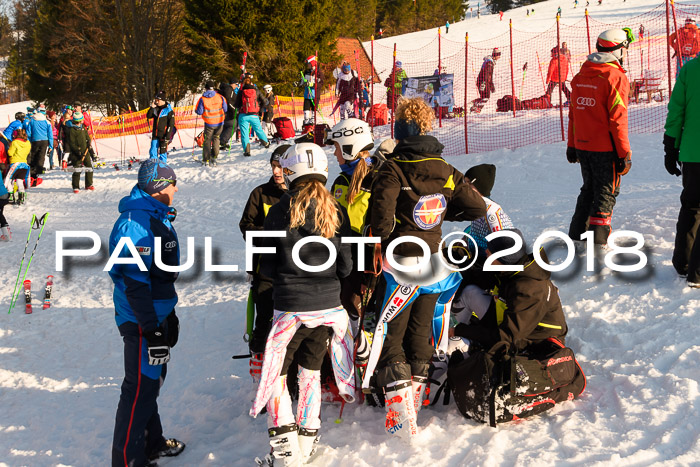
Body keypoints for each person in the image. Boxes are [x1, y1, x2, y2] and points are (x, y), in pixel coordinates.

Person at [363, 97, 486, 440]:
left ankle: (400, 417)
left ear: (399, 130)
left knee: (392, 336)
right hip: (432, 263)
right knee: (420, 335)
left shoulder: (392, 168)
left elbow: (381, 223)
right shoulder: (445, 169)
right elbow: (476, 206)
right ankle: (414, 405)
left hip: (399, 264)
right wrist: (444, 212)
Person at [250, 143, 355, 465]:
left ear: (290, 172)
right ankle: (307, 441)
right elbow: (346, 266)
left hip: (290, 309)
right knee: (310, 373)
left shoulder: (280, 210)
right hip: (327, 308)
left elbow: (265, 265)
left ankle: (284, 450)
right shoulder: (336, 209)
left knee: (278, 376)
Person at [108, 159, 186, 467]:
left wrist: (169, 315)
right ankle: (127, 460)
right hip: (141, 317)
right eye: (171, 183)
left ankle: (152, 442)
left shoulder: (155, 214)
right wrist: (152, 328)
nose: (176, 188)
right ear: (157, 187)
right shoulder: (135, 224)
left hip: (157, 312)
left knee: (152, 382)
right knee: (139, 388)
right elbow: (134, 282)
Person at [451, 229, 568, 353]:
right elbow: (477, 277)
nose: (486, 252)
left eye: (490, 251)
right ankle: (454, 336)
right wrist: (448, 283)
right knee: (470, 292)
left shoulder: (530, 290)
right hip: (510, 325)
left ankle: (457, 344)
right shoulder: (510, 268)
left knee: (462, 341)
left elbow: (507, 337)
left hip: (534, 344)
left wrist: (460, 330)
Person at [567, 28, 633, 246]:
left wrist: (571, 145)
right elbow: (618, 120)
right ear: (617, 50)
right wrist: (624, 153)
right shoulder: (615, 77)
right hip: (605, 148)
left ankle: (577, 235)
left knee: (589, 189)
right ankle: (598, 241)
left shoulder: (580, 75)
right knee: (606, 192)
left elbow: (574, 114)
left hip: (583, 145)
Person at [238, 144, 289, 379]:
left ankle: (287, 367)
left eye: (280, 167)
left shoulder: (302, 192)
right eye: (273, 166)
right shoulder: (260, 193)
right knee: (265, 317)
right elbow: (246, 226)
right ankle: (258, 366)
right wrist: (271, 233)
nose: (276, 172)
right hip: (265, 268)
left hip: (294, 269)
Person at [664, 55, 700, 288]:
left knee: (691, 206)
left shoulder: (689, 69)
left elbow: (676, 110)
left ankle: (683, 262)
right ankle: (697, 274)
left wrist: (670, 146)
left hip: (691, 153)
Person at [234, 73, 270, 157]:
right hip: (254, 115)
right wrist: (260, 108)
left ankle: (247, 151)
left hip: (243, 115)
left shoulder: (241, 91)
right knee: (259, 130)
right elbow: (265, 101)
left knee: (244, 133)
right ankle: (266, 143)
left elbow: (236, 104)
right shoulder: (256, 90)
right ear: (251, 82)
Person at [195, 80, 228, 166]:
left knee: (207, 140)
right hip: (220, 122)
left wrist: (197, 110)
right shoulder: (220, 97)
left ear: (205, 88)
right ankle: (214, 157)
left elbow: (199, 111)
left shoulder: (202, 99)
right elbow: (225, 109)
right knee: (217, 138)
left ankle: (206, 159)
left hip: (209, 123)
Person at [67, 112, 95, 193]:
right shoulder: (72, 130)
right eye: (82, 120)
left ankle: (88, 184)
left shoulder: (83, 128)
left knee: (89, 167)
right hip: (76, 153)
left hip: (85, 151)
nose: (83, 121)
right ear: (78, 121)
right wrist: (78, 151)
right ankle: (75, 186)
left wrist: (89, 143)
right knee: (77, 168)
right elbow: (72, 143)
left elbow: (87, 137)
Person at [145, 91, 175, 163]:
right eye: (155, 100)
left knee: (162, 152)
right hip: (155, 135)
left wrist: (167, 137)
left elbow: (171, 125)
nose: (156, 102)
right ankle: (153, 166)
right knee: (153, 151)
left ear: (162, 100)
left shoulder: (169, 110)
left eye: (157, 100)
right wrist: (151, 107)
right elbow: (148, 116)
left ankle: (162, 167)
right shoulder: (155, 109)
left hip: (164, 136)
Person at [470, 47, 501, 113]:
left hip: (484, 81)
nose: (499, 57)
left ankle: (474, 106)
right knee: (486, 97)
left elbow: (489, 75)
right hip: (483, 82)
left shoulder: (490, 62)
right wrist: (483, 83)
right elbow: (486, 74)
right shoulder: (489, 63)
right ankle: (476, 108)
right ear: (495, 55)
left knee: (485, 96)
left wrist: (491, 86)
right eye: (498, 55)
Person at [26, 105, 53, 180]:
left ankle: (32, 171)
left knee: (33, 155)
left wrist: (29, 141)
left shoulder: (32, 120)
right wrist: (51, 145)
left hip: (35, 140)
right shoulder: (46, 122)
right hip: (44, 140)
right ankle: (39, 169)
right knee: (41, 155)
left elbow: (28, 133)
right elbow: (50, 134)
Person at [5, 129, 31, 205]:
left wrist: (9, 147)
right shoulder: (28, 143)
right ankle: (21, 197)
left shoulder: (15, 142)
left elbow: (10, 153)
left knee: (8, 180)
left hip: (15, 164)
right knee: (19, 181)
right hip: (24, 165)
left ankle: (10, 195)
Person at [297, 56, 318, 126]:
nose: (307, 65)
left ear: (312, 63)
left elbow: (319, 83)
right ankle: (306, 125)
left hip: (314, 95)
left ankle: (312, 124)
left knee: (313, 112)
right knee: (306, 112)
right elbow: (303, 81)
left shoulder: (318, 72)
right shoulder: (306, 72)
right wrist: (298, 83)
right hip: (307, 95)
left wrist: (311, 84)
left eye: (309, 63)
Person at [219, 78, 238, 151]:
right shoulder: (229, 89)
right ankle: (222, 141)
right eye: (236, 84)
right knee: (232, 126)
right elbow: (229, 101)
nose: (236, 86)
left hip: (224, 112)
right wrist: (234, 110)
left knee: (225, 127)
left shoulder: (226, 89)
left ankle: (222, 142)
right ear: (233, 84)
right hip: (229, 113)